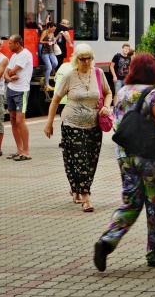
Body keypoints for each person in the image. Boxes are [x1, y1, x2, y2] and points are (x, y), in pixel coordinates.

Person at [93, 52, 155, 270]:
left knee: (131, 202)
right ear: (154, 70)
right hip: (152, 158)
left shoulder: (122, 92)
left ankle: (108, 239)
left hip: (125, 155)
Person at [45, 42, 113, 212]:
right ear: (76, 59)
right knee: (79, 159)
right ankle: (86, 198)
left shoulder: (98, 73)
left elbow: (108, 93)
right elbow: (55, 99)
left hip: (94, 125)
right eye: (82, 59)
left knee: (90, 161)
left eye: (89, 58)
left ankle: (76, 188)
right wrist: (49, 122)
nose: (86, 62)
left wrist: (106, 106)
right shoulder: (69, 76)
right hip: (72, 125)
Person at [3, 34, 35, 161]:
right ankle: (19, 150)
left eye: (10, 43)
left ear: (17, 44)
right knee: (12, 119)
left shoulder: (25, 54)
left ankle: (26, 152)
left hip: (22, 91)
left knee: (20, 121)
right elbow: (7, 73)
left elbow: (12, 70)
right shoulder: (14, 56)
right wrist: (9, 77)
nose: (8, 45)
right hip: (11, 89)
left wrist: (9, 74)